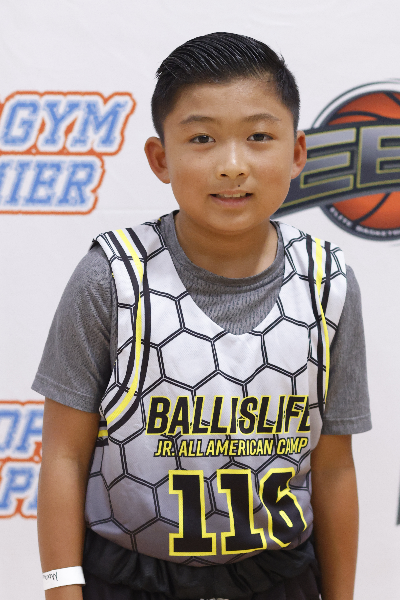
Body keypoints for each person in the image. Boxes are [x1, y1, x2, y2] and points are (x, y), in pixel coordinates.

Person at [34, 32, 372, 600]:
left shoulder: (327, 283)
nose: (232, 166)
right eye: (202, 138)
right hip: (129, 577)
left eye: (258, 136)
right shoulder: (111, 277)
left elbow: (335, 466)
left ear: (297, 153)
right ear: (160, 158)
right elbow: (64, 457)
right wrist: (61, 588)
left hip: (279, 576)